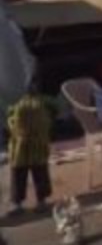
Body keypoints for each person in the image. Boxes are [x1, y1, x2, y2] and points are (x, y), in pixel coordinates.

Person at [6, 73, 53, 216]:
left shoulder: (40, 102)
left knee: (31, 170)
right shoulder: (18, 102)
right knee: (28, 170)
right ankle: (23, 202)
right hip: (26, 142)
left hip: (27, 142)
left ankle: (29, 202)